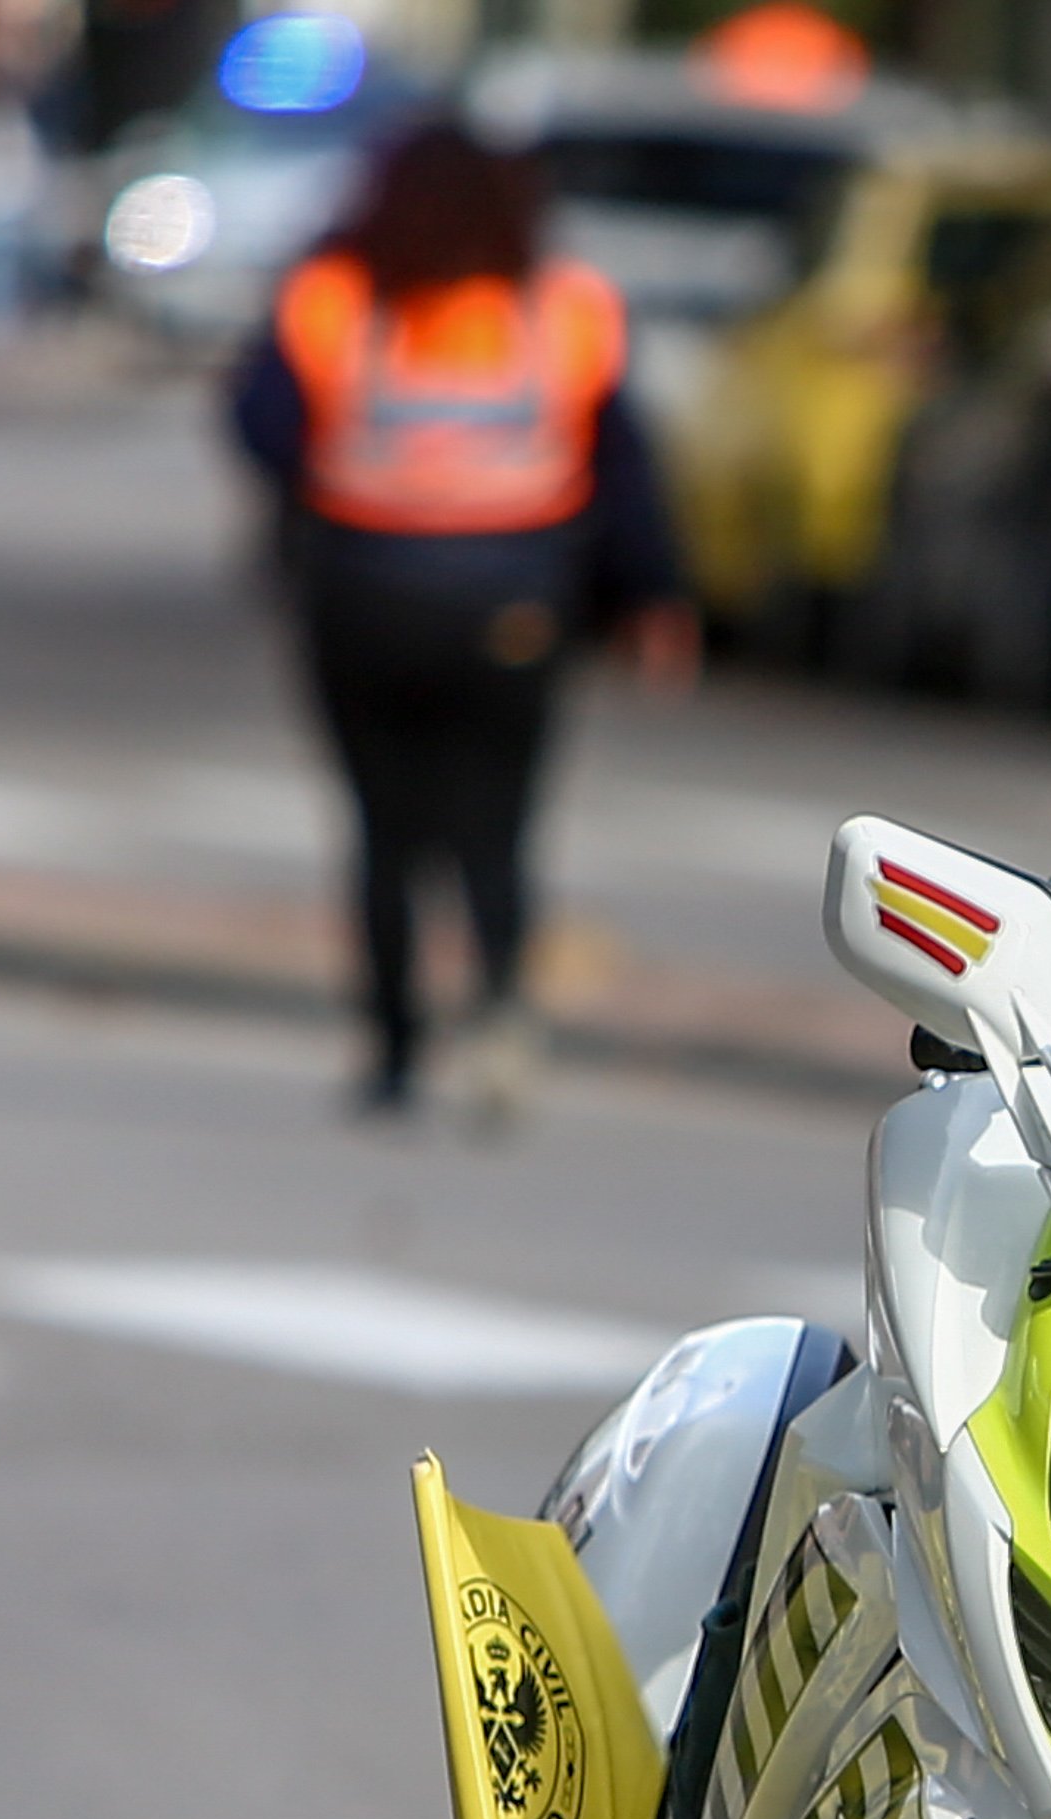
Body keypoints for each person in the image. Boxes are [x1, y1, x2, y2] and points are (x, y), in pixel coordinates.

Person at [230, 127, 695, 1125]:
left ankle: (395, 1047)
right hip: (515, 604)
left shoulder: (337, 295)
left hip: (363, 594)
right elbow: (622, 467)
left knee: (384, 831)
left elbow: (261, 422)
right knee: (496, 830)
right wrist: (652, 599)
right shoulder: (563, 306)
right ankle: (499, 1021)